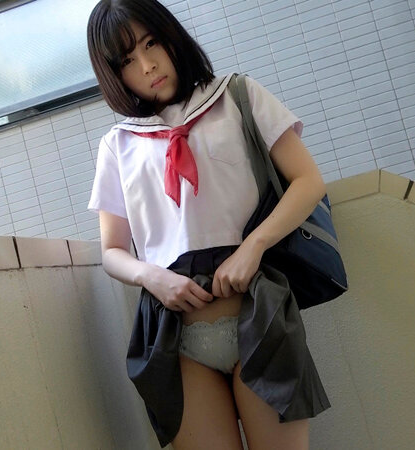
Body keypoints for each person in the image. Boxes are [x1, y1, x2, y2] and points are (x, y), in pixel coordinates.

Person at [86, 1, 330, 448]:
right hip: (175, 337)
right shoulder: (117, 145)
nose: (147, 65)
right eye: (127, 60)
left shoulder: (237, 95)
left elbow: (308, 181)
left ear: (170, 35)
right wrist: (152, 278)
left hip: (257, 315)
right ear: (114, 75)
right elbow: (112, 252)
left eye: (151, 43)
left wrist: (254, 245)